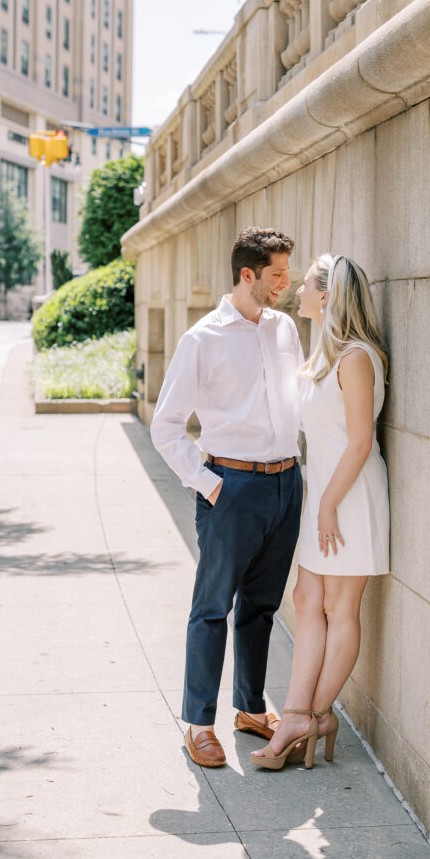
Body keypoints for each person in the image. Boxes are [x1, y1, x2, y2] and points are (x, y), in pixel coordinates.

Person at [150, 226, 304, 768]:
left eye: (287, 272)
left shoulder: (285, 328)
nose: (286, 283)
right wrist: (209, 484)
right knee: (212, 608)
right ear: (247, 274)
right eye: (277, 274)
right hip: (231, 487)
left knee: (262, 607)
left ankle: (249, 707)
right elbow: (166, 425)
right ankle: (198, 724)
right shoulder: (203, 339)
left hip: (286, 483)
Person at [252, 254, 389, 770]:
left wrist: (328, 505)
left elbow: (360, 443)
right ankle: (298, 714)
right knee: (307, 597)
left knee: (340, 606)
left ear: (328, 297)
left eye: (306, 284)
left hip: (348, 497)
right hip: (324, 496)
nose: (297, 291)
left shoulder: (356, 358)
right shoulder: (328, 357)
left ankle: (312, 716)